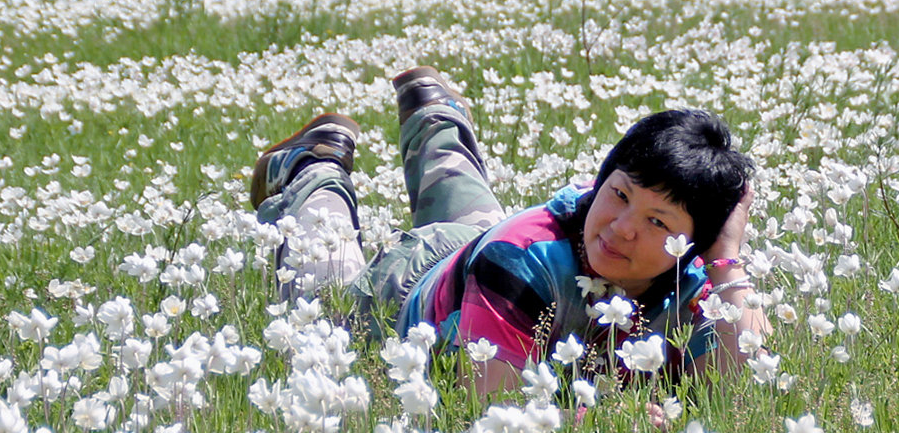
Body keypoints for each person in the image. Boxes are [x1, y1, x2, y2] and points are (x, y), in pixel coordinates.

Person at [250, 66, 770, 395]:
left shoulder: (698, 275)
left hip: (478, 255)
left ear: (695, 240)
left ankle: (434, 112)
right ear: (600, 180)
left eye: (658, 222)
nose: (622, 228)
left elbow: (741, 387)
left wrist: (728, 256)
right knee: (319, 288)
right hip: (410, 289)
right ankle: (308, 169)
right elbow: (489, 403)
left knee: (468, 215)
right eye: (620, 194)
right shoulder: (521, 257)